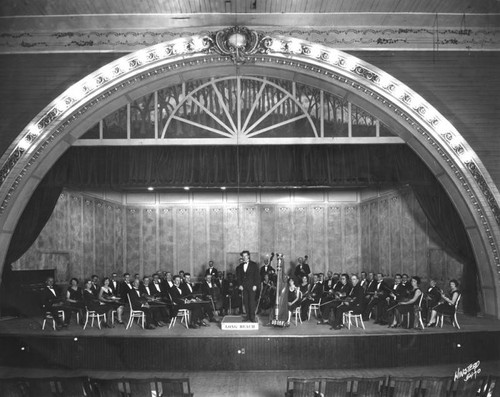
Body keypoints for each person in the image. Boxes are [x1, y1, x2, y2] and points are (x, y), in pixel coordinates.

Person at [236, 250, 260, 323]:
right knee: (245, 302)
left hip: (252, 286)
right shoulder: (240, 266)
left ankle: (252, 317)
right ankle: (247, 316)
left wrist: (255, 285)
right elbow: (238, 277)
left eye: (246, 255)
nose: (244, 257)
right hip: (244, 287)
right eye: (243, 256)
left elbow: (257, 276)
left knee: (252, 302)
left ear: (248, 256)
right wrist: (240, 285)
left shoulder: (254, 265)